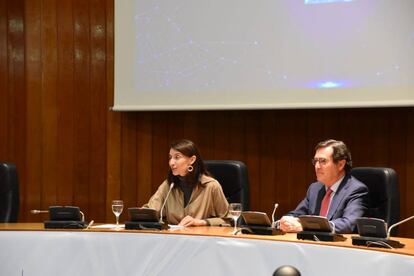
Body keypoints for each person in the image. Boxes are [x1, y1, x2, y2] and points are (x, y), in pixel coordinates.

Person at [279, 139, 369, 234]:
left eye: (322, 161)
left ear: (340, 164)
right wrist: (286, 221)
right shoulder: (315, 188)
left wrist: (307, 227)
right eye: (315, 161)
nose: (317, 166)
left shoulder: (356, 190)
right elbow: (297, 214)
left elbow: (348, 224)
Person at [144, 139, 229, 227]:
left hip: (202, 238)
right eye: (170, 157)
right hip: (173, 238)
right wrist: (141, 214)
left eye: (177, 157)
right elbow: (151, 210)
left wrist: (202, 222)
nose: (171, 163)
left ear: (192, 160)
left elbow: (229, 220)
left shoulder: (211, 186)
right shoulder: (169, 185)